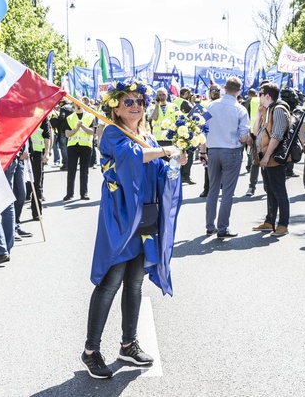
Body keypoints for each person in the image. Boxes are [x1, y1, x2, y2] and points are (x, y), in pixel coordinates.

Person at [80, 79, 185, 379]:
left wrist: (175, 161)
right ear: (115, 106)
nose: (136, 105)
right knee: (111, 282)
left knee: (135, 283)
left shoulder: (146, 135)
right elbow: (130, 158)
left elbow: (156, 171)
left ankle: (128, 343)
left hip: (145, 219)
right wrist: (163, 151)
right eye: (128, 101)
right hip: (121, 218)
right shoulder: (111, 132)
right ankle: (90, 350)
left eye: (139, 100)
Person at [201, 77, 250, 238]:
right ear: (238, 90)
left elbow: (203, 129)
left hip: (213, 150)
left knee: (213, 190)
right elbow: (243, 136)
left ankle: (209, 225)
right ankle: (222, 228)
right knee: (227, 192)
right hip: (231, 151)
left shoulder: (211, 106)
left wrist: (203, 151)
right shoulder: (240, 109)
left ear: (224, 88)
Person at [252, 83, 291, 236]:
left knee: (279, 191)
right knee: (270, 190)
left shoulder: (279, 110)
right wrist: (259, 115)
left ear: (267, 96)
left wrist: (267, 156)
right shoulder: (267, 110)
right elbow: (256, 132)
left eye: (260, 94)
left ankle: (283, 224)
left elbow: (277, 136)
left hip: (274, 158)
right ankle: (270, 221)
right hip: (266, 158)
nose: (258, 97)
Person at [64, 97, 95, 201]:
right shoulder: (70, 117)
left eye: (79, 103)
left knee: (84, 171)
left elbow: (92, 132)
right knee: (71, 170)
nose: (78, 105)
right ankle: (69, 193)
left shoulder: (90, 116)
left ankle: (84, 193)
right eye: (75, 103)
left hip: (86, 146)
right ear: (73, 104)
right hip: (73, 146)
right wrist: (76, 128)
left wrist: (82, 127)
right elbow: (67, 134)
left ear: (84, 103)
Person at [245, 87, 261, 196]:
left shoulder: (275, 103)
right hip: (255, 136)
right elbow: (245, 120)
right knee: (255, 162)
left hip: (269, 137)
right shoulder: (250, 102)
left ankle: (268, 188)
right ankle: (252, 187)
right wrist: (248, 135)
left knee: (268, 164)